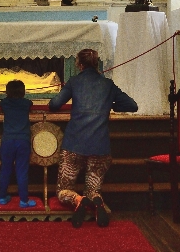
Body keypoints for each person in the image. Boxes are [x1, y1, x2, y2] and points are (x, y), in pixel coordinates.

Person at [48, 48, 138, 228]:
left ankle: (78, 200)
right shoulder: (107, 84)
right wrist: (109, 105)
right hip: (100, 148)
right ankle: (95, 199)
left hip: (74, 146)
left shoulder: (74, 82)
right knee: (93, 188)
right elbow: (132, 105)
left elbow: (54, 105)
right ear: (97, 64)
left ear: (79, 65)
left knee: (62, 191)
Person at [0, 79, 37, 208]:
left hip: (8, 140)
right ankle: (23, 200)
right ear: (23, 92)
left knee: (5, 169)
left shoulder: (4, 103)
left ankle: (2, 197)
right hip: (23, 140)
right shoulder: (27, 103)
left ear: (7, 92)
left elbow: (1, 104)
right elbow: (30, 105)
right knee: (22, 170)